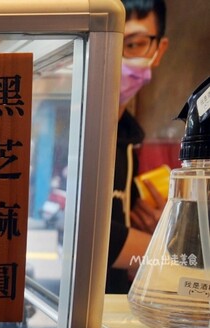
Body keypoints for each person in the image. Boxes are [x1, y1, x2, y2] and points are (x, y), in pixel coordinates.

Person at [106, 0, 169, 294]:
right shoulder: (80, 132)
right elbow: (91, 236)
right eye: (108, 43)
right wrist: (169, 249)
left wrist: (160, 229)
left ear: (158, 51)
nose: (116, 57)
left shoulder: (128, 139)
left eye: (133, 44)